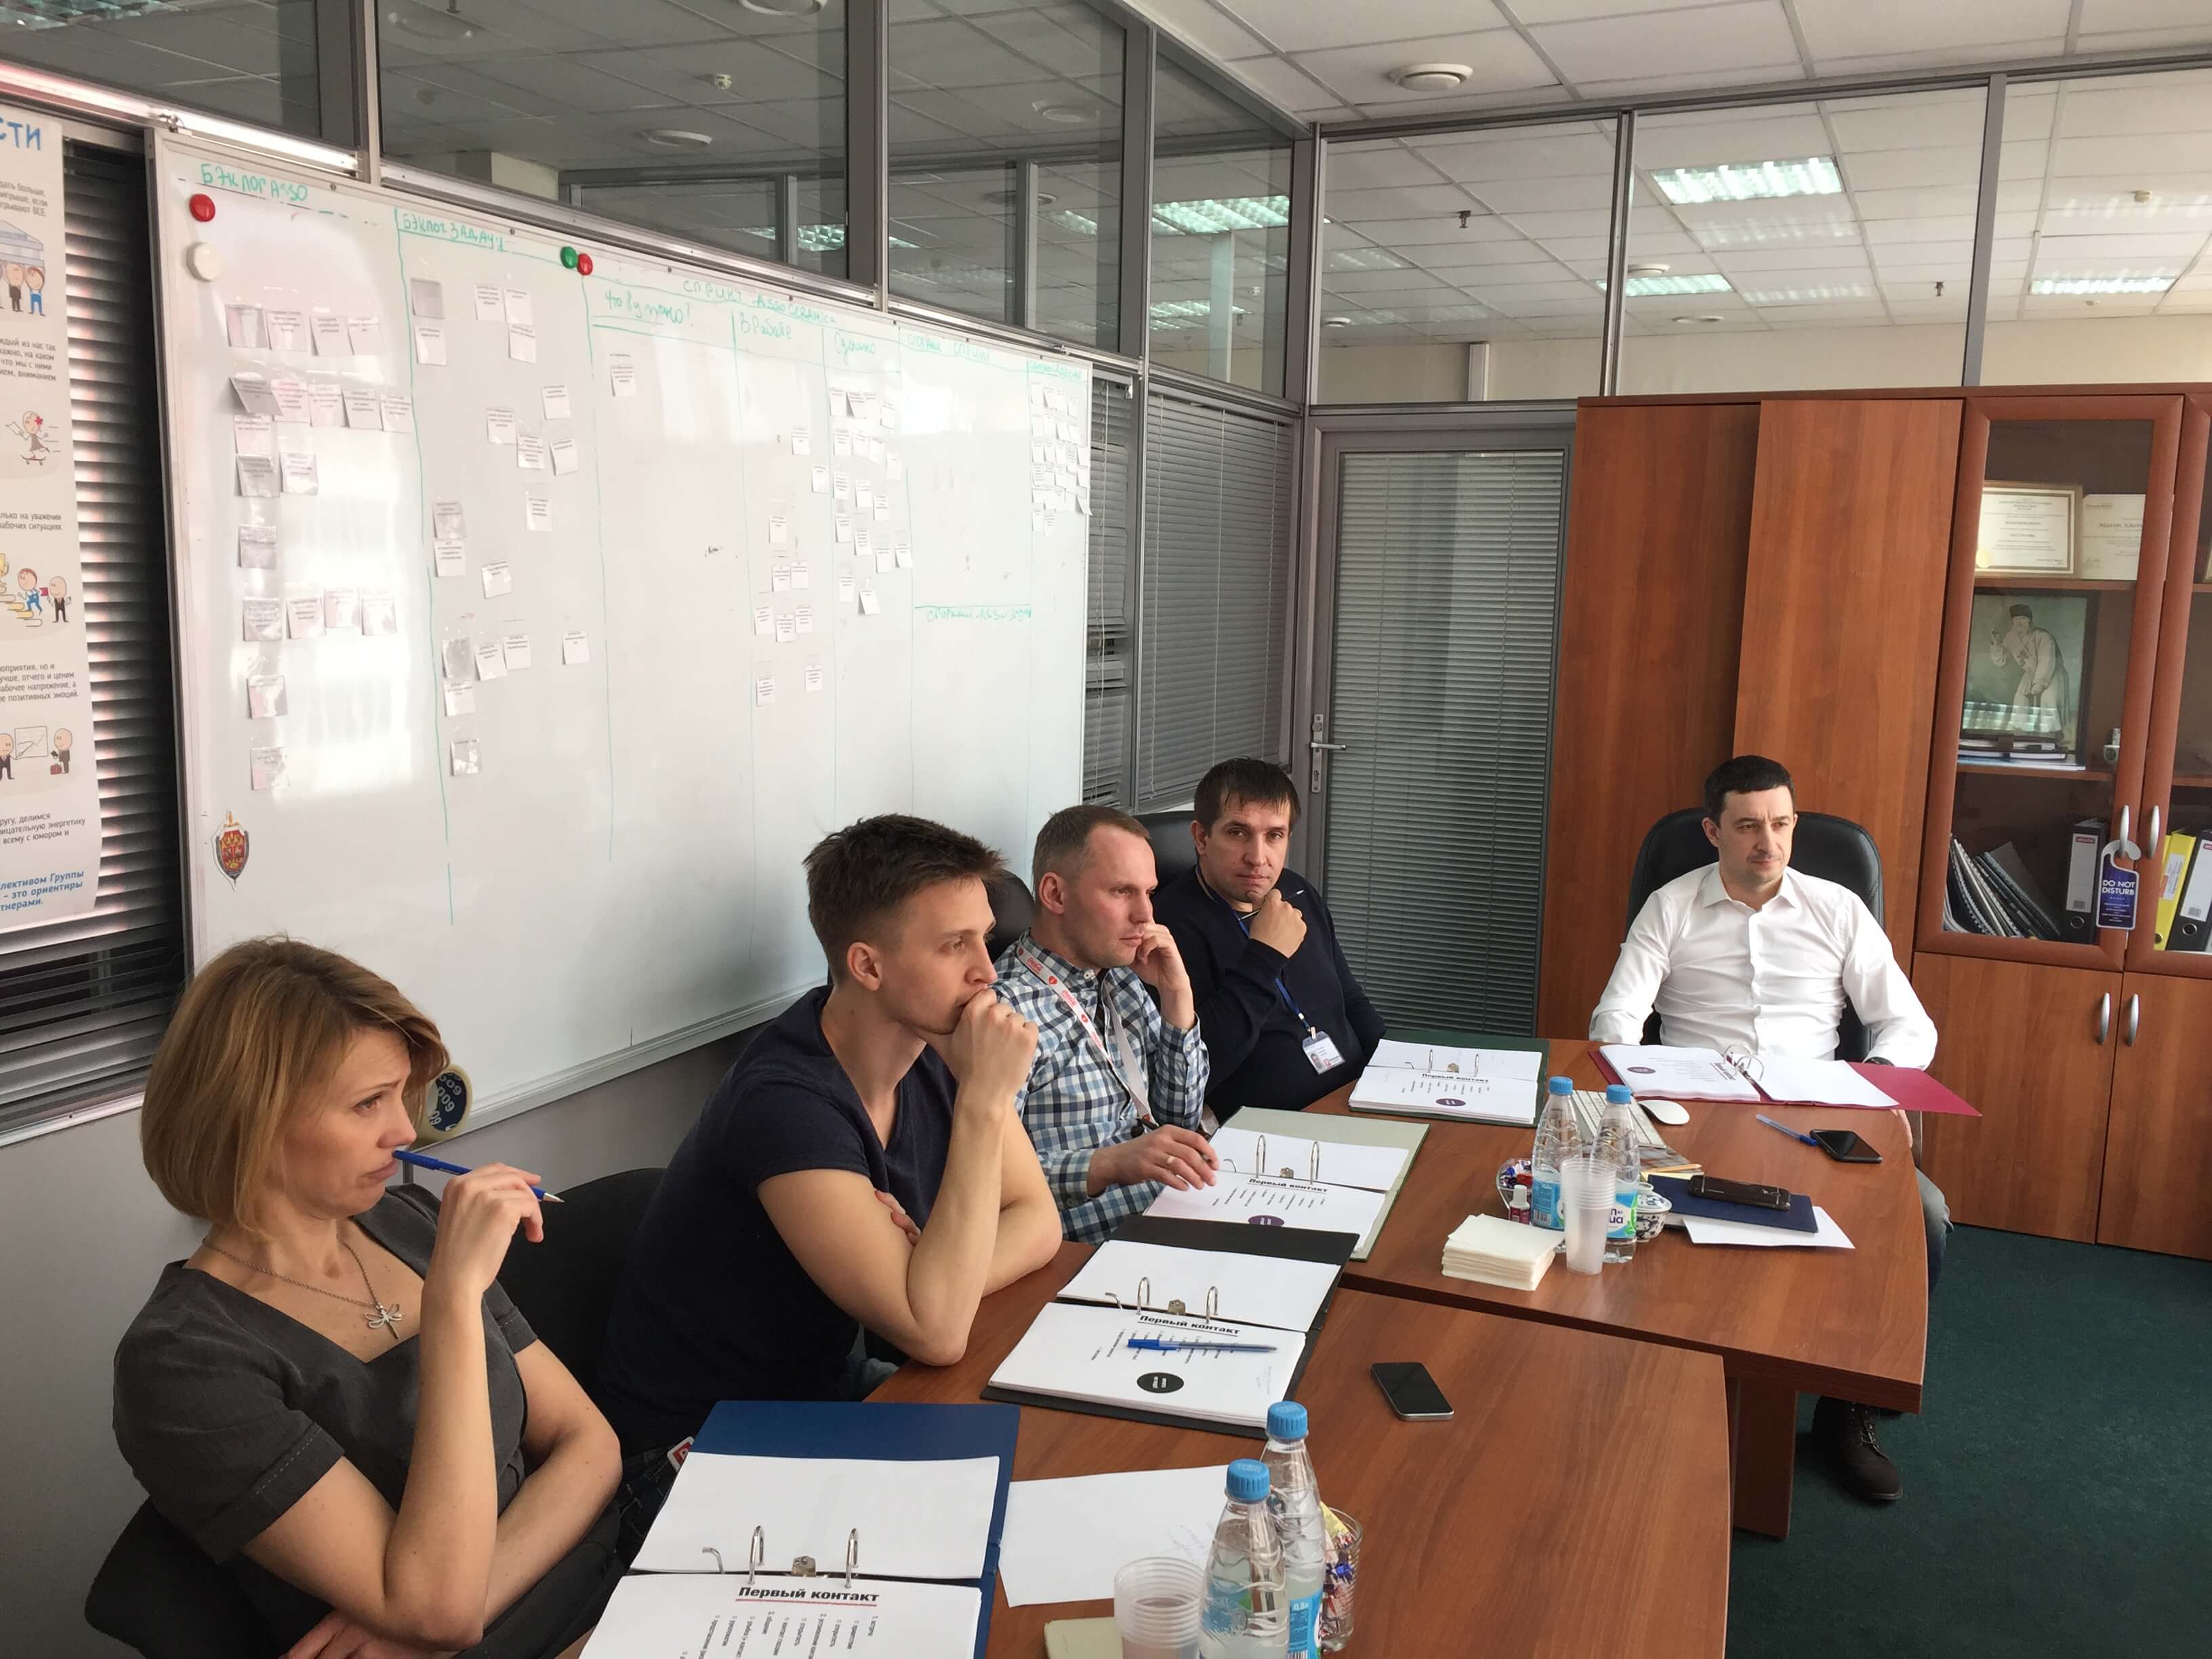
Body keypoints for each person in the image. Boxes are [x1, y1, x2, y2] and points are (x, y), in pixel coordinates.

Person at [113, 939, 623, 1659]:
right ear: (253, 1122)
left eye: (399, 1093)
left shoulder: (406, 1220)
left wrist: (425, 1624)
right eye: (367, 1103)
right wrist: (451, 1300)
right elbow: (439, 1609)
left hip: (593, 1587)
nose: (406, 1131)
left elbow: (589, 1445)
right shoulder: (183, 1361)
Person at [600, 813, 1062, 1456]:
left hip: (820, 1392)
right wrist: (984, 1100)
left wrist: (935, 1270)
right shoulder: (784, 1102)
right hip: (701, 1446)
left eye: (984, 938)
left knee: (1051, 1445)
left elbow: (1040, 1222)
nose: (987, 971)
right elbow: (935, 1330)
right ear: (868, 966)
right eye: (954, 945)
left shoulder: (938, 1041)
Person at [1589, 754, 1950, 1505]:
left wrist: (1875, 1085)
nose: (1769, 843)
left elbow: (1908, 1024)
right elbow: (1617, 1016)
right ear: (1713, 831)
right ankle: (1663, 1393)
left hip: (1815, 1111)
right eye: (1750, 826)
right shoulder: (1671, 906)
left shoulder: (1837, 909)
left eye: (1782, 824)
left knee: (1926, 1215)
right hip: (1695, 1113)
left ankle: (1846, 1406)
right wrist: (1639, 1082)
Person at [996, 804, 1215, 1244]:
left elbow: (1180, 1118)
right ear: (1055, 895)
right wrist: (1109, 1164)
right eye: (1121, 892)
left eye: (1148, 893)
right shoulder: (1006, 1010)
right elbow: (991, 1182)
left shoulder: (1120, 976)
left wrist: (1177, 996)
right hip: (1085, 1247)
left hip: (1164, 1211)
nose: (1145, 915)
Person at [1152, 758, 1385, 1115]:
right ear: (1201, 837)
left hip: (1357, 1098)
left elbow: (1349, 1000)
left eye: (1274, 835)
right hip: (1270, 1127)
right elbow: (1199, 1066)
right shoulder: (1167, 929)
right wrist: (1265, 955)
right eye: (1238, 833)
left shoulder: (1297, 892)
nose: (1257, 858)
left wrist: (1392, 1069)